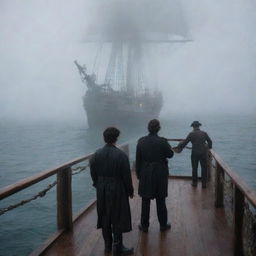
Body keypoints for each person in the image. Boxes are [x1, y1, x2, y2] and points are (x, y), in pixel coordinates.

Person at [90, 127, 134, 256]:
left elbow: (93, 173)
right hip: (117, 188)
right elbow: (126, 176)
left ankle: (108, 246)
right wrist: (130, 191)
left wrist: (98, 185)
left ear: (104, 138)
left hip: (102, 188)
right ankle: (118, 247)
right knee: (118, 216)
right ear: (116, 138)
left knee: (104, 216)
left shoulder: (96, 154)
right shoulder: (121, 156)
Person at [136, 119, 174, 233]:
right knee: (161, 200)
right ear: (159, 129)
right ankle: (163, 225)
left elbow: (138, 160)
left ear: (148, 128)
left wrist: (139, 174)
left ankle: (144, 226)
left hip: (146, 173)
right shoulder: (163, 141)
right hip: (160, 174)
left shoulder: (141, 141)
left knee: (145, 201)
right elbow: (170, 154)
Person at [177, 121, 212, 188]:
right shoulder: (204, 133)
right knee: (204, 168)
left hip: (194, 153)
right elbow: (210, 141)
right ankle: (204, 184)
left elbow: (185, 143)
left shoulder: (191, 134)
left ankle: (194, 183)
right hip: (203, 153)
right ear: (199, 126)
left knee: (194, 168)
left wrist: (179, 145)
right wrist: (209, 148)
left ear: (193, 126)